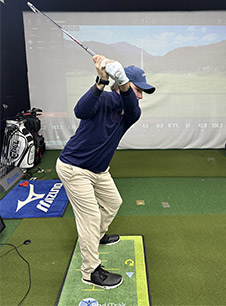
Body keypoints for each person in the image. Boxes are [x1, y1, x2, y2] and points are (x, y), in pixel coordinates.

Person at [56, 55, 156, 289]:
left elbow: (131, 105)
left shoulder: (133, 111)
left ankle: (97, 236)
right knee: (89, 217)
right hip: (74, 168)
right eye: (138, 89)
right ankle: (90, 272)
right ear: (123, 86)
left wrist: (123, 82)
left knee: (114, 202)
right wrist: (101, 81)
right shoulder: (104, 98)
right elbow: (80, 110)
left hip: (99, 171)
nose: (140, 96)